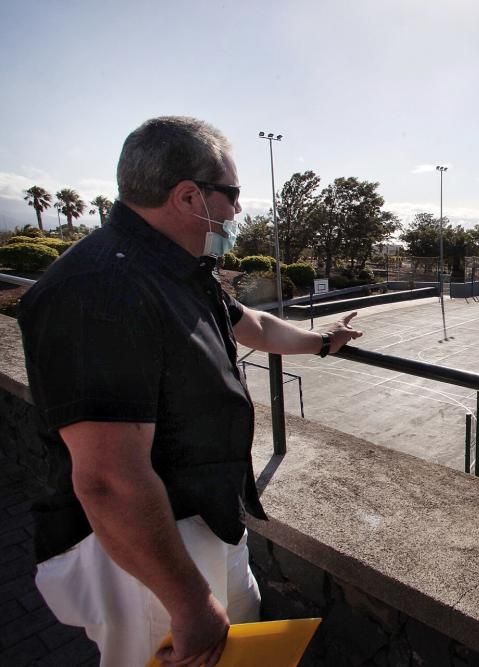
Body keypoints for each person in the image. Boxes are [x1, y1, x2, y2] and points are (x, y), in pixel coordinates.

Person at [17, 116, 362, 667]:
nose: (237, 212)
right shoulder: (103, 291)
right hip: (146, 555)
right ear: (187, 196)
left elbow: (248, 322)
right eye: (232, 195)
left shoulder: (171, 268)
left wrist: (321, 342)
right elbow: (108, 479)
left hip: (197, 525)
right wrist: (190, 601)